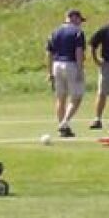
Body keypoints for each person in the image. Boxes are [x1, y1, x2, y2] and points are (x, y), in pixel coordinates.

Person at [46, 9, 87, 137]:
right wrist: (80, 70)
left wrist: (49, 71)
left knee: (61, 98)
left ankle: (63, 127)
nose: (80, 23)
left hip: (56, 65)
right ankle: (64, 123)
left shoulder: (54, 32)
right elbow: (79, 51)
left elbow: (49, 53)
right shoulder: (78, 32)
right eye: (79, 19)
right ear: (73, 17)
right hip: (71, 64)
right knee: (77, 97)